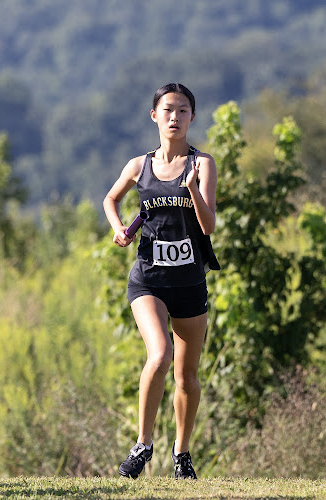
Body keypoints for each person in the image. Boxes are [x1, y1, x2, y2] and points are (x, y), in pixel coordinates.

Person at [103, 83, 219, 479]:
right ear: (154, 115)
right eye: (168, 109)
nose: (175, 116)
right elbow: (110, 199)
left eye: (183, 110)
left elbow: (209, 227)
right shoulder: (139, 166)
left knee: (187, 376)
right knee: (160, 355)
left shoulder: (202, 165)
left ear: (191, 117)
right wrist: (119, 228)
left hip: (189, 283)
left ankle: (182, 455)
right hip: (148, 281)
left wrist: (192, 190)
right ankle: (143, 444)